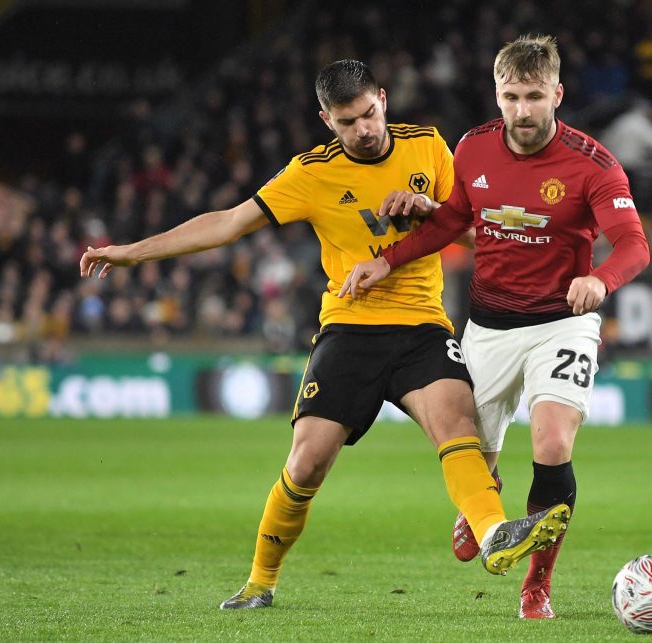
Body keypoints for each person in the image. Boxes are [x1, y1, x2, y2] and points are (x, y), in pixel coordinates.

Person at [79, 60, 569, 611]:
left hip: (422, 326)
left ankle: (493, 534)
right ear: (325, 120)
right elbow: (227, 223)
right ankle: (260, 581)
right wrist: (130, 252)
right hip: (350, 328)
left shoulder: (429, 146)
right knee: (307, 462)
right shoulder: (311, 173)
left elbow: (483, 232)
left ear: (383, 99)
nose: (362, 129)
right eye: (346, 122)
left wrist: (432, 212)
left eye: (368, 113)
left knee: (458, 424)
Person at [340, 36, 650, 619]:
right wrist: (388, 260)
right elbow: (454, 220)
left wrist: (602, 280)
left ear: (557, 94)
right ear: (497, 94)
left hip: (562, 323)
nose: (523, 111)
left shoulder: (593, 164)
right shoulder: (473, 148)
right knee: (472, 459)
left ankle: (537, 586)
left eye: (535, 97)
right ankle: (484, 500)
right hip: (487, 327)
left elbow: (635, 245)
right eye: (511, 97)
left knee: (553, 442)